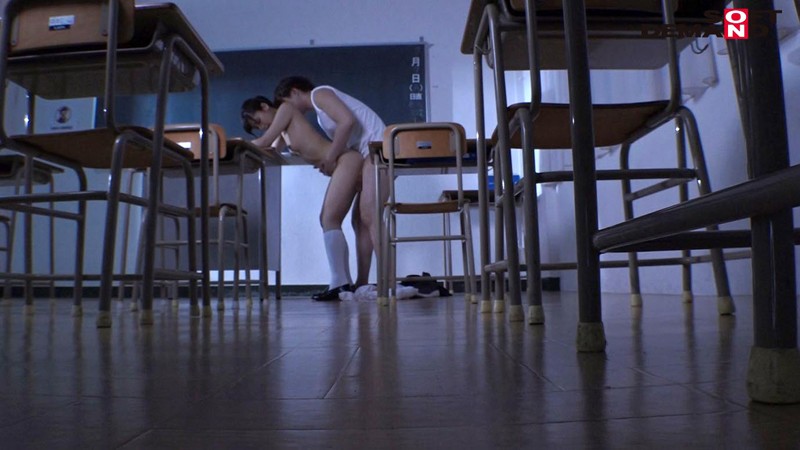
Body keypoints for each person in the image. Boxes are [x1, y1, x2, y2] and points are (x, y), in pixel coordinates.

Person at [241, 95, 364, 301]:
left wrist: (235, 146)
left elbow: (264, 141)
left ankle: (340, 284)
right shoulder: (283, 128)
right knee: (327, 219)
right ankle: (343, 282)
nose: (261, 127)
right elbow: (272, 150)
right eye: (257, 126)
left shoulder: (286, 109)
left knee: (329, 219)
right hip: (344, 164)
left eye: (258, 121)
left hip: (347, 161)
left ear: (264, 106)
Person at [273, 76, 386, 296]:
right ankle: (362, 282)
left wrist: (331, 158)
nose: (287, 109)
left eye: (286, 103)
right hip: (368, 154)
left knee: (370, 215)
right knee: (359, 220)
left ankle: (388, 280)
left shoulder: (320, 94)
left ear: (295, 92)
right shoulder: (320, 114)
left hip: (378, 150)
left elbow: (347, 121)